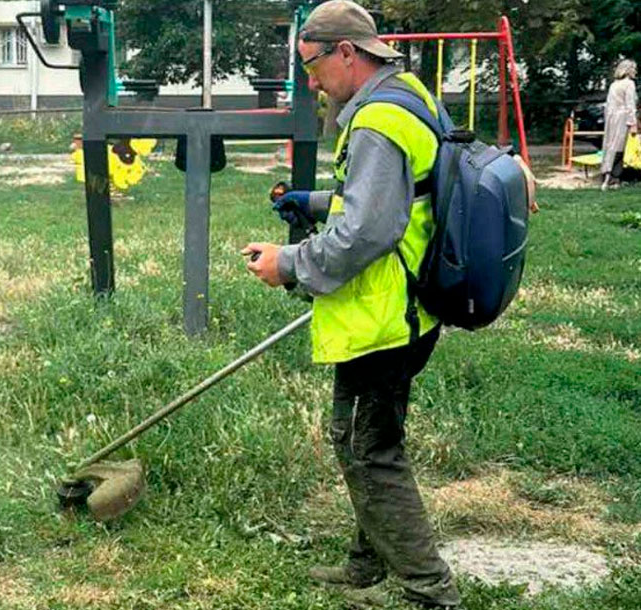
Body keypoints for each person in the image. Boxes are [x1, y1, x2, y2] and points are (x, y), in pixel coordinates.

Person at [242, 1, 460, 607]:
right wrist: (315, 201)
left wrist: (288, 264)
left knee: (369, 451)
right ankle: (368, 562)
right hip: (410, 307)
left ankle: (429, 589)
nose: (311, 82)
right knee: (370, 441)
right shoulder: (408, 95)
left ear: (345, 52)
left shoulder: (375, 121)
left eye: (311, 66)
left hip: (383, 315)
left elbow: (367, 232)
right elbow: (396, 195)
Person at [600, 59, 638, 191]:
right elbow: (630, 105)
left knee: (610, 146)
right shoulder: (629, 84)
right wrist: (633, 123)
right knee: (619, 148)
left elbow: (608, 104)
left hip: (611, 117)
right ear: (628, 70)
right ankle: (613, 178)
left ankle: (607, 175)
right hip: (622, 118)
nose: (635, 71)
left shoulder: (614, 85)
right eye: (634, 68)